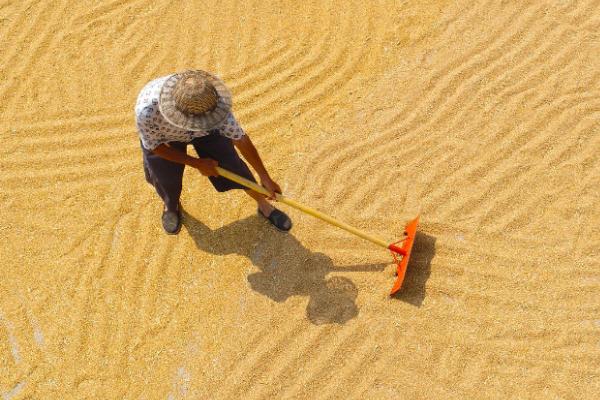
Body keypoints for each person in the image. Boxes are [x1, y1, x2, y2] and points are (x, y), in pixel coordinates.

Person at [135, 69, 292, 235]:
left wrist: (265, 177)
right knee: (165, 177)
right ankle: (170, 205)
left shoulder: (213, 106)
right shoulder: (147, 112)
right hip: (166, 139)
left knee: (234, 166)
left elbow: (241, 139)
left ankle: (263, 205)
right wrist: (197, 163)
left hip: (207, 133)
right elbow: (155, 147)